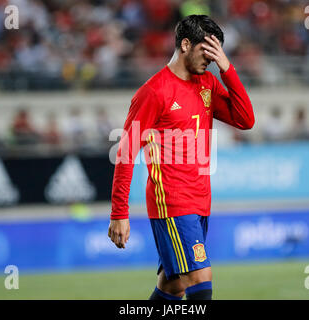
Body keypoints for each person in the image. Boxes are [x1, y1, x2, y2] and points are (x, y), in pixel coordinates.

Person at [108, 15, 254, 300]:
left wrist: (228, 69)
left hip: (201, 200)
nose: (211, 59)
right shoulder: (154, 92)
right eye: (206, 50)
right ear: (185, 44)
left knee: (173, 285)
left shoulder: (208, 83)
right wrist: (118, 213)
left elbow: (245, 119)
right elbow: (125, 153)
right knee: (201, 277)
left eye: (217, 52)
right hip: (173, 201)